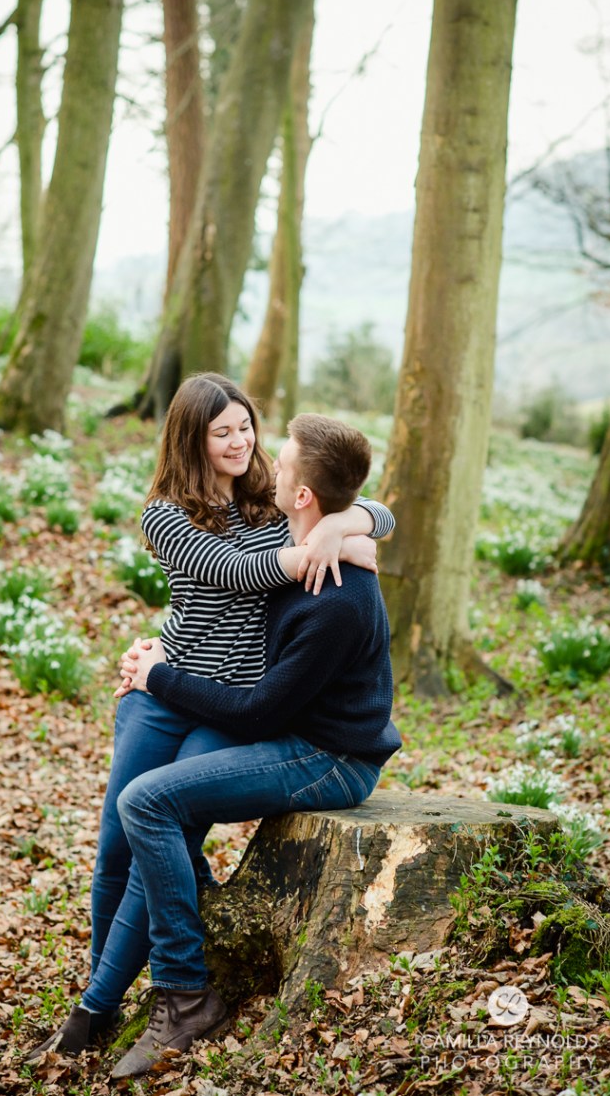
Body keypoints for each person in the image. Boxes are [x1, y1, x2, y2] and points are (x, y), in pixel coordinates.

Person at [25, 375, 394, 1062]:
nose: (239, 441)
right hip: (161, 692)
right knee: (115, 845)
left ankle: (102, 1005)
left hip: (230, 706)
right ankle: (109, 991)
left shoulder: (270, 500)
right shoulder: (167, 515)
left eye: (246, 427)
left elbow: (368, 511)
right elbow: (234, 573)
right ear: (190, 439)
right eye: (221, 431)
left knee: (161, 821)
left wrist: (345, 524)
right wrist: (324, 544)